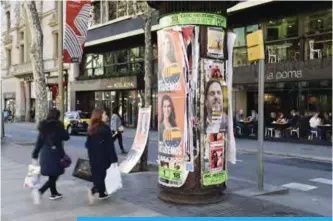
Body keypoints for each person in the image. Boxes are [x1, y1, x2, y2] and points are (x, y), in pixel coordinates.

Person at [31, 108, 70, 205]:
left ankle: (54, 193)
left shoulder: (43, 126)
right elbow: (66, 137)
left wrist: (35, 154)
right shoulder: (58, 125)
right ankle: (40, 191)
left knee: (52, 174)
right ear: (57, 116)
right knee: (55, 175)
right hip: (56, 154)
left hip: (45, 154)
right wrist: (64, 129)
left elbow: (39, 142)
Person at [86, 108, 118, 204]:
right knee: (104, 176)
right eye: (104, 114)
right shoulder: (105, 128)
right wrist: (114, 159)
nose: (106, 116)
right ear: (100, 116)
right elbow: (109, 145)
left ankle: (101, 193)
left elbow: (87, 144)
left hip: (93, 156)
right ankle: (92, 191)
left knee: (98, 175)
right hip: (103, 157)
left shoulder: (91, 128)